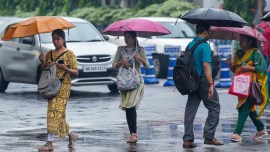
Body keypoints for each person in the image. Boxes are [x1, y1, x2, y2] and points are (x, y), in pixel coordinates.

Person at [183, 23, 223, 148]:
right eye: (210, 32)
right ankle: (209, 136)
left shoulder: (190, 44)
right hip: (203, 81)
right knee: (214, 106)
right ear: (205, 32)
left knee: (190, 110)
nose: (210, 34)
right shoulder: (205, 46)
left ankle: (188, 139)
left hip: (191, 81)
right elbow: (206, 66)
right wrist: (211, 84)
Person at [38, 29, 79, 151]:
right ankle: (71, 135)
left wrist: (65, 68)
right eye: (53, 39)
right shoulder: (49, 54)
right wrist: (42, 62)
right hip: (51, 87)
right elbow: (44, 70)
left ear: (63, 39)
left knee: (54, 112)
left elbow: (76, 72)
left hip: (64, 87)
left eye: (58, 39)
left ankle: (49, 143)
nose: (55, 42)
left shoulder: (69, 54)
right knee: (56, 114)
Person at [226, 34, 269, 142]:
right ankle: (261, 128)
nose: (241, 41)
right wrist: (230, 64)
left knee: (244, 107)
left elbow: (262, 69)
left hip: (251, 84)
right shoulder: (238, 53)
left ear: (250, 41)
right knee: (248, 108)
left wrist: (249, 68)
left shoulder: (256, 52)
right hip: (240, 85)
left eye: (243, 39)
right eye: (240, 39)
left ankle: (237, 133)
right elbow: (235, 70)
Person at [112, 31, 149, 143]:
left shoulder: (140, 49)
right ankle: (131, 133)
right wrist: (122, 63)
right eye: (125, 37)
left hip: (136, 82)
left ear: (134, 38)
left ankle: (134, 134)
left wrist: (140, 58)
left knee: (131, 104)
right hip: (124, 82)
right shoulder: (120, 50)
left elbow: (147, 65)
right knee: (128, 107)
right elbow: (114, 65)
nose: (126, 40)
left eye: (128, 38)